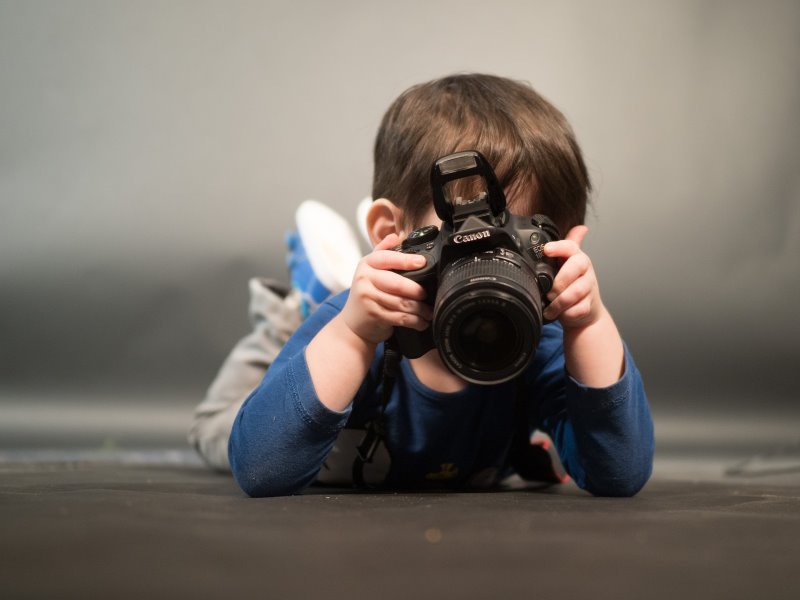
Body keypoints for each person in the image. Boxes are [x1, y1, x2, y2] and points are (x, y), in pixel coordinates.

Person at [225, 73, 655, 497]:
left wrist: (590, 322)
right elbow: (261, 468)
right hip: (342, 333)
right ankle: (320, 290)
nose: (495, 272)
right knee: (220, 427)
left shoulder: (543, 342)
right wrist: (351, 334)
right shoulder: (357, 327)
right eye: (473, 244)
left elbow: (619, 474)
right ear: (391, 230)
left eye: (525, 248)